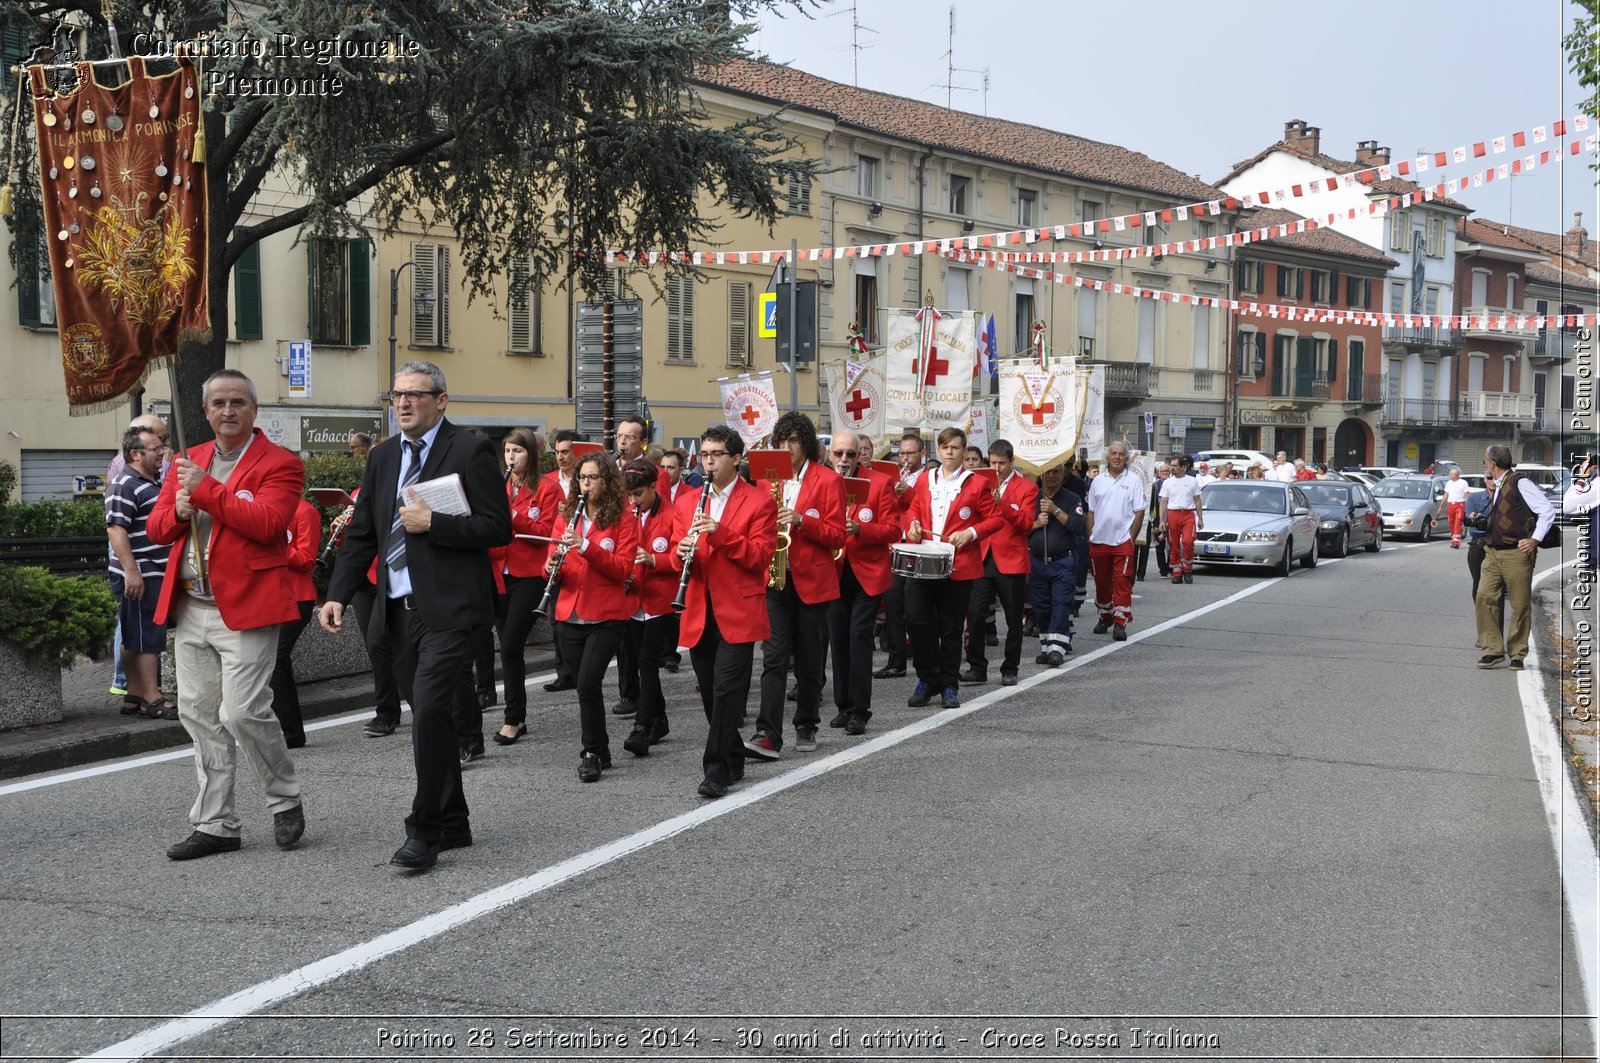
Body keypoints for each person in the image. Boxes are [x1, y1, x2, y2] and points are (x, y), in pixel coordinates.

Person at [319, 360, 512, 871]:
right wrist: (337, 593)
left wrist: (437, 523)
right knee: (433, 718)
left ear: (441, 400)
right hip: (396, 611)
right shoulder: (383, 458)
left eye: (415, 394)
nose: (403, 403)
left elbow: (498, 528)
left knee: (428, 711)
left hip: (451, 611)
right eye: (396, 395)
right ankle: (454, 821)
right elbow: (363, 533)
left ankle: (422, 831)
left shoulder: (470, 450)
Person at [145, 370, 306, 860]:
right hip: (192, 605)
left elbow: (269, 524)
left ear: (254, 410)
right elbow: (156, 530)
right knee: (198, 716)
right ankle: (215, 824)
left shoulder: (282, 463)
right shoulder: (188, 459)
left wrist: (207, 491)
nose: (228, 410)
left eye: (238, 401)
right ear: (206, 411)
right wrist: (176, 509)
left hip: (249, 606)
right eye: (218, 403)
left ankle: (284, 799)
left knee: (241, 712)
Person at [675, 424, 777, 798]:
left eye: (716, 454)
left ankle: (715, 769)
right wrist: (678, 552)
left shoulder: (759, 502)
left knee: (726, 691)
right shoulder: (686, 501)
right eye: (704, 454)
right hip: (699, 608)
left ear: (736, 459)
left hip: (739, 607)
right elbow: (673, 550)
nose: (709, 461)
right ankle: (733, 754)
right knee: (709, 693)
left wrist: (720, 532)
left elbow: (759, 557)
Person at [745, 412, 845, 760]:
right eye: (782, 441)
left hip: (812, 581)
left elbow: (837, 535)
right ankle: (767, 733)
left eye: (793, 441)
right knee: (773, 658)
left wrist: (803, 521)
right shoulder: (765, 480)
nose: (787, 448)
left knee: (809, 659)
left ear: (806, 444)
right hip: (774, 579)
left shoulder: (828, 480)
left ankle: (806, 723)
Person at [547, 452, 637, 781]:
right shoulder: (567, 515)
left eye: (593, 477)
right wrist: (551, 566)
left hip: (607, 614)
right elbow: (553, 559)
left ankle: (591, 752)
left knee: (588, 682)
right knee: (583, 687)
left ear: (608, 481)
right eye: (582, 478)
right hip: (569, 610)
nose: (586, 483)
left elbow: (622, 569)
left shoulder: (623, 519)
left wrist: (585, 546)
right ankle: (601, 747)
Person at [902, 426, 1004, 708]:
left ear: (963, 451)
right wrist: (910, 524)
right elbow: (912, 509)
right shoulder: (924, 479)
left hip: (957, 565)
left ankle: (948, 684)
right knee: (916, 619)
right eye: (945, 447)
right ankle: (927, 678)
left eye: (955, 448)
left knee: (950, 629)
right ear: (939, 449)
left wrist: (970, 533)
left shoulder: (977, 483)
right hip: (923, 562)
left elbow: (995, 519)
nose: (949, 452)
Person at [825, 428, 897, 736]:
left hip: (866, 572)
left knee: (858, 637)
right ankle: (843, 705)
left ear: (860, 455)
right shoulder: (823, 482)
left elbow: (894, 529)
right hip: (833, 571)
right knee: (838, 640)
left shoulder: (880, 483)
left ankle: (860, 710)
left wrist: (861, 530)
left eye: (850, 454)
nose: (844, 460)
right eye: (838, 454)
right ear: (830, 455)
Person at [491, 428, 559, 745]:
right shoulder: (498, 486)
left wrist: (512, 515)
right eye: (507, 451)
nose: (511, 457)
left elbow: (547, 530)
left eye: (517, 451)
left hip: (530, 574)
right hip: (498, 571)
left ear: (530, 454)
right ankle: (516, 715)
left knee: (511, 644)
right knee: (508, 647)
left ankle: (513, 718)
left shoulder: (548, 488)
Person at [105, 425, 174, 718]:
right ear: (135, 454)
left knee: (134, 633)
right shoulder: (125, 484)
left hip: (149, 570)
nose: (162, 452)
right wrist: (131, 571)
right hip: (142, 572)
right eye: (155, 448)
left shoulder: (151, 481)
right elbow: (116, 528)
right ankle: (152, 697)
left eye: (161, 446)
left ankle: (133, 695)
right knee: (147, 633)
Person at [620, 457, 681, 756]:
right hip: (635, 599)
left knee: (647, 662)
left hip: (660, 600)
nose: (634, 501)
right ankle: (660, 718)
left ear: (654, 487)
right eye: (629, 495)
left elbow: (682, 559)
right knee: (638, 662)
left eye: (639, 494)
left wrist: (654, 559)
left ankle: (642, 727)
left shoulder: (673, 514)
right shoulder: (628, 513)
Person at [1474, 446, 1555, 671]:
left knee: (1519, 604)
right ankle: (1492, 651)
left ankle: (1517, 654)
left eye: (1484, 461)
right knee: (1484, 597)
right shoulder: (1498, 485)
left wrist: (1535, 540)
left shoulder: (1520, 482)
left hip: (1517, 553)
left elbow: (1547, 510)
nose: (1485, 465)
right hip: (1492, 551)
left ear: (1492, 464)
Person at [963, 439, 1036, 687]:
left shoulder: (1026, 487)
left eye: (1001, 464)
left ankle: (1010, 668)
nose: (996, 469)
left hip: (1011, 561)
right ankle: (976, 667)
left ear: (1011, 461)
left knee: (1014, 619)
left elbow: (1027, 524)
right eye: (992, 463)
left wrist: (1001, 504)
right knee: (975, 614)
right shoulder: (980, 484)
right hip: (983, 557)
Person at [873, 431, 927, 679]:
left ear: (922, 454)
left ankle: (922, 656)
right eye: (902, 453)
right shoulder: (893, 476)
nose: (905, 458)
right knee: (893, 604)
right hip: (896, 546)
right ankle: (896, 661)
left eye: (910, 453)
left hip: (918, 547)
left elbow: (925, 505)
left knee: (916, 608)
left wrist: (907, 492)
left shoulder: (929, 477)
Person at [267, 496, 320, 748]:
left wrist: (275, 547)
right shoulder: (267, 510)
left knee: (277, 659)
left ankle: (290, 733)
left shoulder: (305, 511)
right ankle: (285, 731)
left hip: (297, 597)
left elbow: (307, 558)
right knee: (274, 662)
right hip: (271, 596)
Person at [1084, 441, 1146, 641]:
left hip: (1122, 542)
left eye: (1121, 454)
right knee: (1101, 583)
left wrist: (1130, 538)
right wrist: (1091, 534)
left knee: (1122, 582)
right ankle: (1105, 616)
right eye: (1114, 454)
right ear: (1108, 457)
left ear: (1126, 458)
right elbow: (1090, 510)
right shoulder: (1098, 481)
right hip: (1099, 541)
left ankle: (1120, 621)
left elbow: (1139, 511)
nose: (1117, 457)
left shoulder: (1134, 480)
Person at [541, 429, 584, 693]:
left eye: (566, 451)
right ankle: (563, 673)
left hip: (584, 551)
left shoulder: (587, 479)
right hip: (558, 552)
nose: (561, 457)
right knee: (556, 617)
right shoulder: (548, 481)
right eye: (557, 452)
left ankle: (581, 671)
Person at [1030, 463, 1086, 666]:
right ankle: (1046, 646)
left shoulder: (1072, 498)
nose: (1051, 476)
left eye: (1056, 472)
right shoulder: (1032, 497)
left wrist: (1055, 511)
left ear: (1064, 475)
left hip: (1063, 561)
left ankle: (1057, 648)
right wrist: (1036, 524)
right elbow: (1019, 527)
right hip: (1037, 563)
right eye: (1048, 472)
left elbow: (1079, 526)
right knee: (1041, 606)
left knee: (1061, 604)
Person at [1159, 455, 1204, 585]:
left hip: (1188, 514)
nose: (1172, 468)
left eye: (1175, 466)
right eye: (1171, 465)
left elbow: (1197, 499)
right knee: (1173, 544)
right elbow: (1163, 502)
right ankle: (1177, 572)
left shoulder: (1192, 481)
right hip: (1173, 514)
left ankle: (1187, 569)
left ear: (1183, 467)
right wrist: (1162, 520)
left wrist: (1200, 518)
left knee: (1188, 541)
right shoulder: (1167, 482)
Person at [1135, 460, 1171, 581]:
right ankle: (1133, 573)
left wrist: (1155, 522)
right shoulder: (1151, 486)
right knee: (1136, 549)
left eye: (1167, 470)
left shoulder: (1153, 488)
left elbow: (1154, 506)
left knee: (1146, 549)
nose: (1165, 472)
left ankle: (1142, 574)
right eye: (1162, 471)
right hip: (1137, 520)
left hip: (1155, 520)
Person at [1442, 467, 1471, 548]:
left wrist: (1467, 498)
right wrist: (1441, 506)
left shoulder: (1463, 482)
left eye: (1451, 474)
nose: (1449, 475)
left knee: (1458, 521)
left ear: (1457, 475)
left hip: (1460, 504)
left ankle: (1456, 541)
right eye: (1449, 474)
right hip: (1450, 504)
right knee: (1451, 522)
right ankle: (1454, 538)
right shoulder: (1449, 483)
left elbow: (1467, 493)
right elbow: (1446, 494)